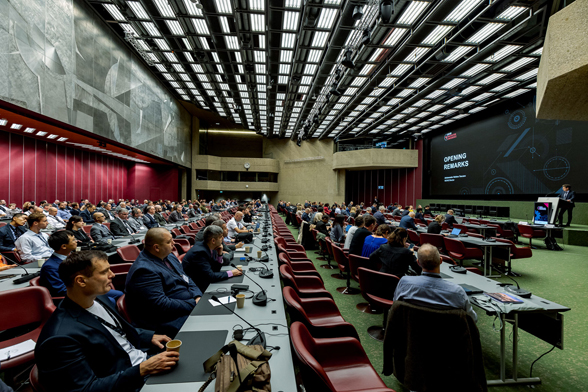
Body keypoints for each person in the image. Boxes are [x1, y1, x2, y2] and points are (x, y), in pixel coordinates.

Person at [35, 250, 179, 392]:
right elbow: (86, 389)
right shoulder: (59, 338)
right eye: (104, 272)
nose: (112, 275)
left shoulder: (99, 298)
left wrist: (149, 337)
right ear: (81, 281)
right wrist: (143, 369)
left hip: (141, 362)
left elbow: (117, 332)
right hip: (128, 381)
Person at [125, 228, 202, 336]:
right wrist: (194, 303)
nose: (173, 243)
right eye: (169, 241)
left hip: (187, 306)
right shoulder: (144, 270)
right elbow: (161, 304)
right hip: (169, 320)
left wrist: (197, 296)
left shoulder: (169, 256)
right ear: (156, 247)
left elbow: (186, 278)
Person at [393, 244, 477, 322]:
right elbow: (473, 319)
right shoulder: (458, 292)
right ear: (441, 260)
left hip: (411, 334)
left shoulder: (404, 283)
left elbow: (396, 306)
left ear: (418, 262)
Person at [182, 226, 243, 292]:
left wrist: (219, 255)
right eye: (220, 237)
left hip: (206, 281)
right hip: (197, 288)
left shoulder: (211, 247)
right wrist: (231, 273)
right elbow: (210, 276)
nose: (222, 238)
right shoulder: (199, 252)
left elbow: (215, 269)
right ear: (213, 240)